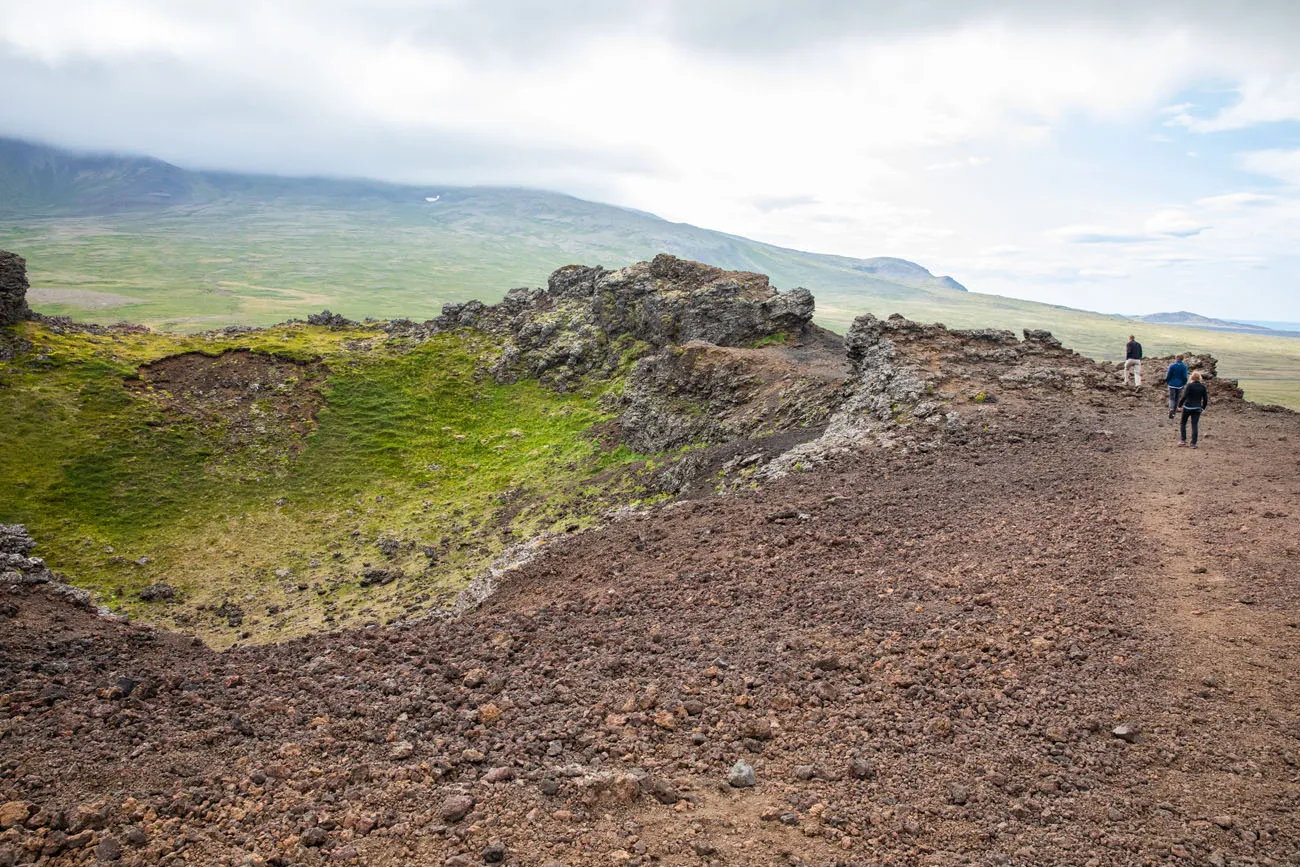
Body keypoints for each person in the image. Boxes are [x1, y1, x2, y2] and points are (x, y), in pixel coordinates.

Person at [1177, 371, 1209, 449]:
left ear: (1191, 378)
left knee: (1183, 423)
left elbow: (1184, 396)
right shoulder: (1203, 387)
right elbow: (1205, 399)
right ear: (1199, 378)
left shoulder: (1189, 386)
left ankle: (1183, 440)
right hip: (1197, 408)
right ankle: (1193, 443)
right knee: (1194, 425)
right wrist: (1203, 408)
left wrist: (1179, 405)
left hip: (1187, 407)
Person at [1165, 354, 1189, 419]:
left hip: (1172, 384)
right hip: (1180, 385)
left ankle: (1171, 409)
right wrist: (1184, 383)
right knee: (1177, 398)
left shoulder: (1172, 366)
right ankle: (1174, 413)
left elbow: (1168, 375)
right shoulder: (1184, 367)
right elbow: (1185, 377)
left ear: (1176, 358)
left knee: (1171, 397)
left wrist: (1168, 381)